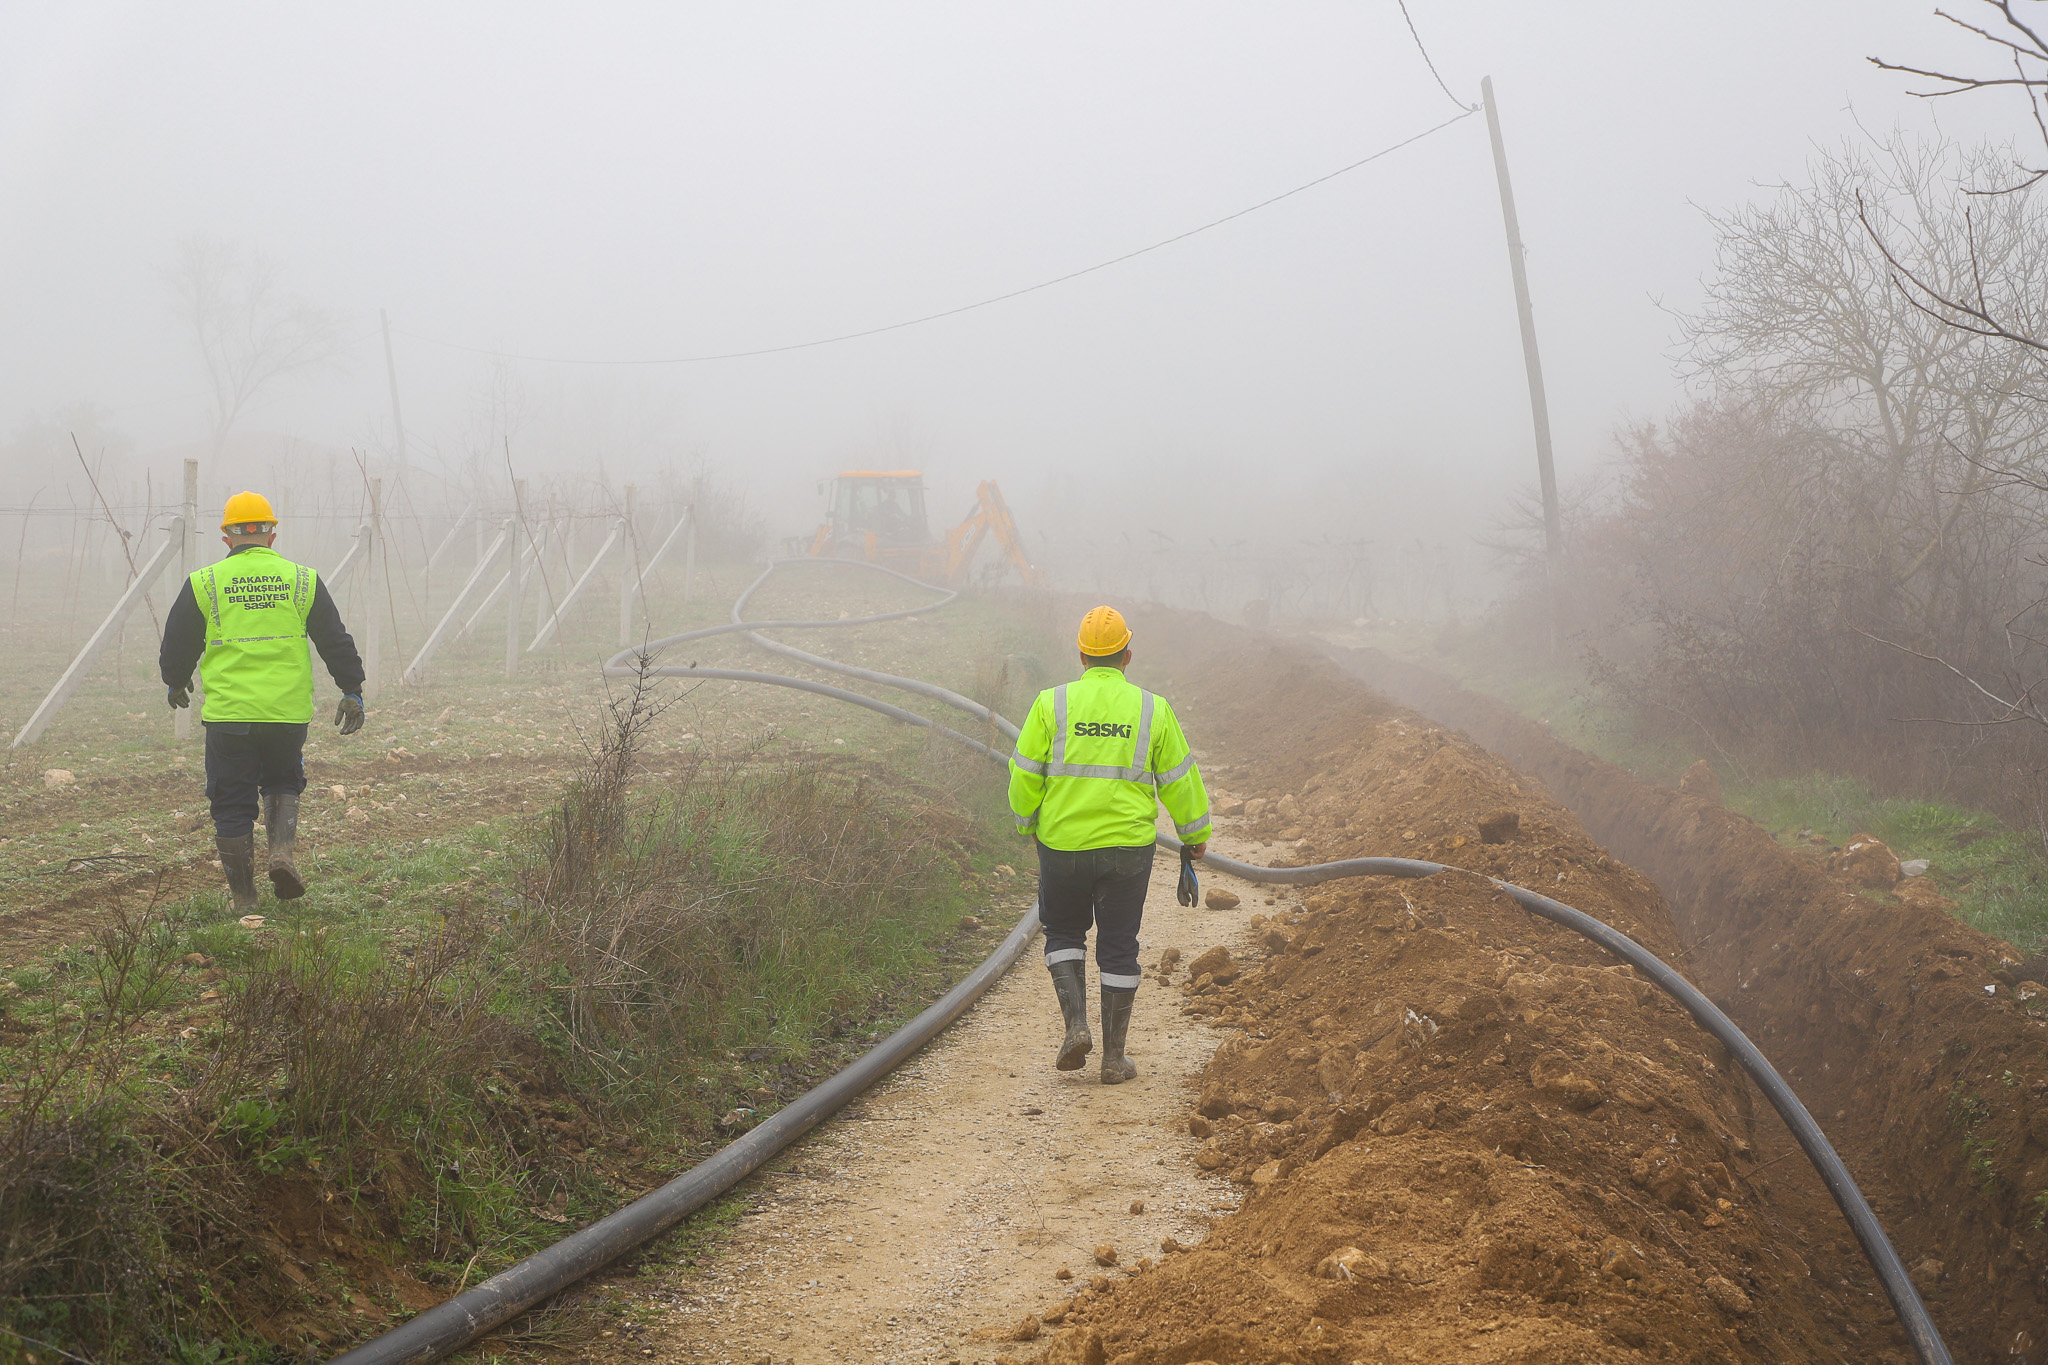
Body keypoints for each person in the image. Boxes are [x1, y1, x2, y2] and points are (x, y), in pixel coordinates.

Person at [1007, 605, 1211, 1084]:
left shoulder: (1050, 704)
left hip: (1062, 846)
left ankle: (1075, 1025)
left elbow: (1024, 774)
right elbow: (1181, 780)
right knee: (1118, 948)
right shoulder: (1151, 708)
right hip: (1127, 851)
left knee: (1062, 933)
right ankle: (1114, 1060)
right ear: (1128, 655)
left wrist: (1026, 823)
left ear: (1081, 655)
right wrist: (1195, 836)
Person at [159, 491, 367, 910]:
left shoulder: (205, 582)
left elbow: (177, 643)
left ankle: (244, 898)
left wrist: (176, 680)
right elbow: (334, 639)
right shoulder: (302, 579)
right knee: (282, 780)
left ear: (226, 539)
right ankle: (281, 853)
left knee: (231, 800)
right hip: (287, 714)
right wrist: (351, 689)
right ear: (272, 535)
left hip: (230, 717)